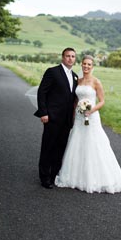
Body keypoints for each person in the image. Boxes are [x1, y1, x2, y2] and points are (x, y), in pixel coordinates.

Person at [55, 55, 121, 194]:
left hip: (92, 117)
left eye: (89, 64)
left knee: (93, 143)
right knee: (77, 142)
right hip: (78, 117)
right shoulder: (78, 80)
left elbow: (102, 101)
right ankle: (75, 176)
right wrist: (74, 114)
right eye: (84, 64)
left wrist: (91, 110)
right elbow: (76, 100)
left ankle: (95, 178)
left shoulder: (96, 82)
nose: (86, 66)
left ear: (92, 67)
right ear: (81, 65)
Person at [34, 48, 78, 189]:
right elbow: (42, 92)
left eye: (73, 56)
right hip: (52, 117)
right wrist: (43, 113)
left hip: (66, 121)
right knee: (48, 147)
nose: (70, 59)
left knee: (60, 148)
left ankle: (53, 175)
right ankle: (44, 177)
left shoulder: (75, 76)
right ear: (62, 57)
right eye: (68, 56)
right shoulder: (52, 72)